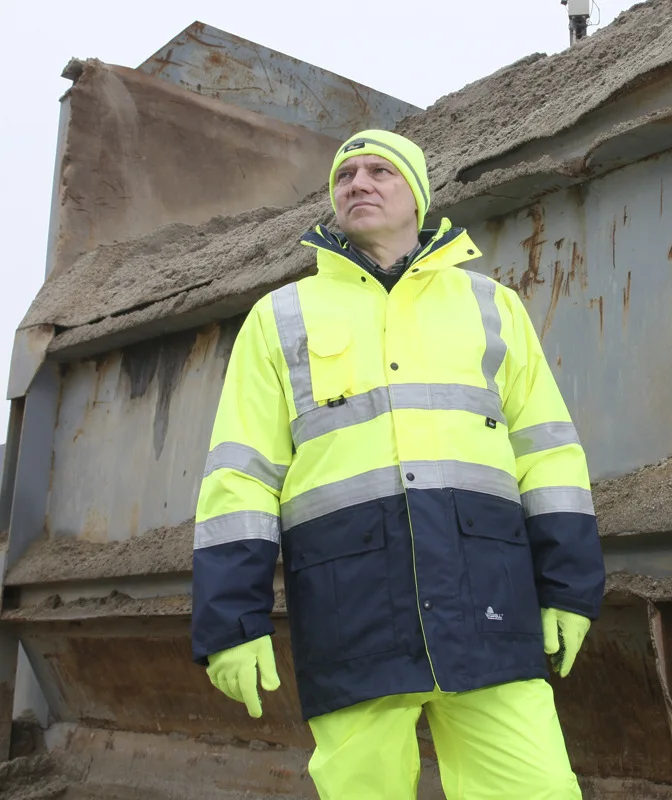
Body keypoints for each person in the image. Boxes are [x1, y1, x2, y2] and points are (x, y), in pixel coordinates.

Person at [191, 129, 605, 799]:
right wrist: (231, 623)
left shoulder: (491, 305)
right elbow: (241, 475)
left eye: (379, 170)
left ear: (418, 195)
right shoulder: (280, 317)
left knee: (539, 788)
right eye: (345, 175)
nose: (358, 183)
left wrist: (569, 585)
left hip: (487, 603)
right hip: (353, 610)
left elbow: (547, 451)